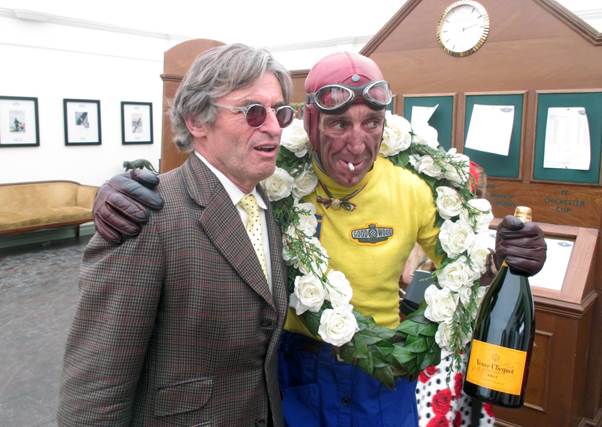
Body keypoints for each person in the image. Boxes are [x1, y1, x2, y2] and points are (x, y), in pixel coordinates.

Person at [92, 52, 547, 426]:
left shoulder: (413, 187)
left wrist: (506, 258)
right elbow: (210, 185)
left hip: (384, 378)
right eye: (338, 124)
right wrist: (119, 195)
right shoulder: (274, 179)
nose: (356, 143)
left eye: (371, 123)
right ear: (308, 122)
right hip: (296, 375)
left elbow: (462, 263)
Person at [58, 43, 294, 427]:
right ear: (197, 121)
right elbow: (95, 390)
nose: (272, 126)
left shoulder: (270, 205)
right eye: (253, 111)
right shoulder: (145, 218)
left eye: (279, 111)